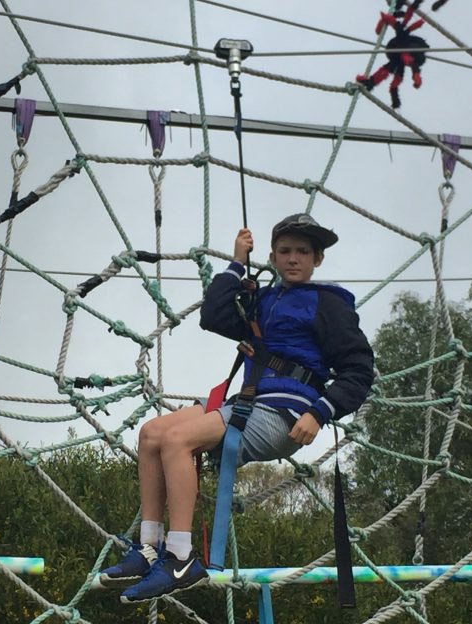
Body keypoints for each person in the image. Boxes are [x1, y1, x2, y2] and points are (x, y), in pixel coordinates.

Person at [101, 213, 374, 603]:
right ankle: (148, 547)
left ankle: (180, 557)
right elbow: (213, 317)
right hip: (248, 400)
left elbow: (359, 370)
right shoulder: (263, 301)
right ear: (273, 257)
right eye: (284, 251)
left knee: (177, 440)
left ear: (317, 259)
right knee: (152, 434)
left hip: (285, 413)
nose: (293, 259)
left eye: (302, 252)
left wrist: (321, 411)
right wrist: (235, 264)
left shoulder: (328, 305)